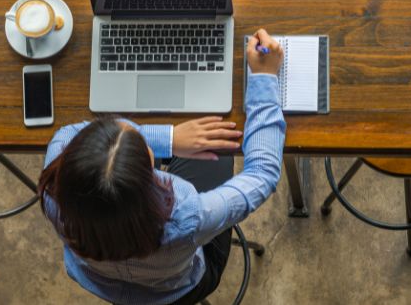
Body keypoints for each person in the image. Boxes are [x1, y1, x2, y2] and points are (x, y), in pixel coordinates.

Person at [38, 29, 285, 305]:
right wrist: (264, 78)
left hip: (103, 283)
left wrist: (169, 139)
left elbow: (74, 132)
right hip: (181, 290)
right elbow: (262, 174)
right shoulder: (187, 217)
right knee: (217, 147)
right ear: (147, 175)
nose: (130, 126)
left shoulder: (53, 182)